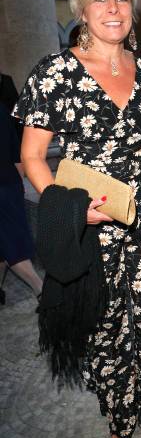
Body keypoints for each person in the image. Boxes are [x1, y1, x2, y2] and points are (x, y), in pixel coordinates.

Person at [13, 0, 141, 438]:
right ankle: (120, 408)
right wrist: (67, 207)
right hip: (91, 221)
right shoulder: (55, 73)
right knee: (107, 325)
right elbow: (31, 157)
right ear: (80, 7)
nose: (113, 8)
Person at [0, 103, 43, 301]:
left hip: (7, 185)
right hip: (10, 183)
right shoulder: (1, 108)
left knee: (11, 246)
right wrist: (19, 183)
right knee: (9, 242)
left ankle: (42, 291)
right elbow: (14, 150)